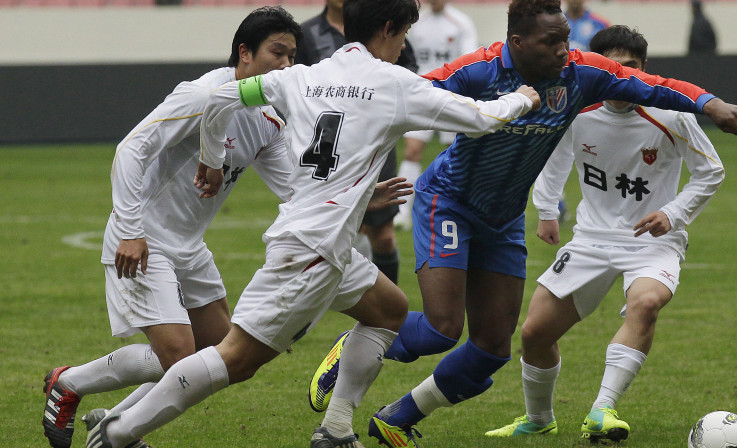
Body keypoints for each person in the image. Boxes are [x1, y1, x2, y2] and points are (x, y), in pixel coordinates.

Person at [80, 0, 539, 447]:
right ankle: (117, 432)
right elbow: (480, 118)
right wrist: (522, 97)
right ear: (386, 28)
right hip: (313, 249)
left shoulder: (303, 76)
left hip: (321, 238)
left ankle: (336, 429)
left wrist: (211, 158)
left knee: (389, 310)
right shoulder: (394, 83)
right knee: (235, 359)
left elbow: (221, 98)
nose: (403, 46)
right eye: (403, 35)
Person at [309, 0, 737, 446]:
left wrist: (711, 105)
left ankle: (396, 420)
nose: (563, 50)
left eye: (566, 38)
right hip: (448, 202)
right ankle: (360, 340)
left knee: (492, 349)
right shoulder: (479, 70)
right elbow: (401, 100)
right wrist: (355, 177)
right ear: (518, 42)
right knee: (441, 328)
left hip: (504, 219)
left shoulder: (580, 72)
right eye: (552, 41)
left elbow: (652, 85)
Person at [39, 7, 303, 448]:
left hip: (189, 249)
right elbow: (130, 149)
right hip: (143, 239)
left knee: (224, 356)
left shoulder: (268, 120)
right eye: (278, 53)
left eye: (293, 57)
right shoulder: (202, 95)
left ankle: (116, 420)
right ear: (245, 54)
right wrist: (130, 228)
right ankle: (70, 383)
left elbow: (295, 189)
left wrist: (358, 197)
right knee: (178, 355)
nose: (286, 66)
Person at [485, 24, 725, 443]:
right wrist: (546, 210)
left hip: (653, 242)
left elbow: (710, 171)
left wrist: (673, 213)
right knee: (534, 334)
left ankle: (602, 409)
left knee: (646, 302)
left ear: (644, 70)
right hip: (591, 239)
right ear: (596, 68)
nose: (619, 76)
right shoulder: (578, 111)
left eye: (629, 67)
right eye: (611, 67)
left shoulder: (671, 114)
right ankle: (539, 419)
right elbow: (553, 158)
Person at [296, 0, 420, 284]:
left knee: (384, 237)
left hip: (374, 145)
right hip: (327, 150)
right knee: (334, 235)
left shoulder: (382, 25)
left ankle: (384, 312)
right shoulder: (308, 34)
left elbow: (409, 68)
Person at [395, 0, 479, 229]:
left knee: (453, 156)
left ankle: (451, 210)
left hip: (451, 96)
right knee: (412, 150)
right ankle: (402, 213)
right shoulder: (416, 22)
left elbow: (469, 61)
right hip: (420, 94)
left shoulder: (461, 23)